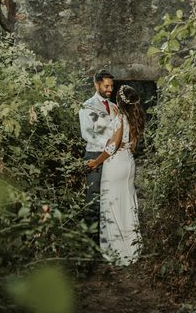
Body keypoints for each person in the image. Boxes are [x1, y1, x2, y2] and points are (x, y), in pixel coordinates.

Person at [87, 84, 145, 266]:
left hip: (116, 164)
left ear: (120, 100)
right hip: (129, 163)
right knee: (127, 202)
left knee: (111, 203)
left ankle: (117, 250)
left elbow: (113, 145)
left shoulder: (121, 117)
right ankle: (132, 246)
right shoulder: (134, 117)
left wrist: (96, 161)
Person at [78, 69, 118, 238]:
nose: (110, 89)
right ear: (97, 84)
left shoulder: (115, 107)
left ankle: (107, 236)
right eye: (106, 85)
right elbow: (86, 133)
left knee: (111, 197)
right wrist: (108, 145)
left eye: (111, 86)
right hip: (94, 156)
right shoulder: (87, 106)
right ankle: (91, 240)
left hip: (113, 157)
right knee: (93, 198)